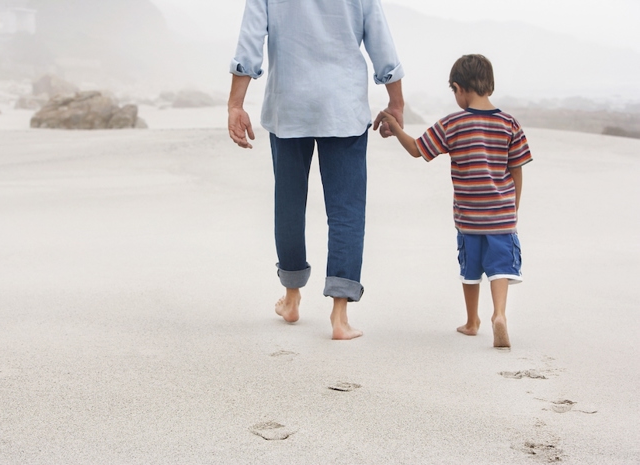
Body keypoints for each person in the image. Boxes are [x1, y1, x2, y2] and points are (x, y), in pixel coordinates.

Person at [228, 0, 404, 340]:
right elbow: (381, 41)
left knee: (289, 204)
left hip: (289, 106)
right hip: (344, 107)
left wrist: (236, 104)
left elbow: (249, 43)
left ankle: (292, 297)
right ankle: (339, 315)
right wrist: (395, 101)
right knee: (346, 210)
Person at [375, 54, 532, 348]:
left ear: (459, 88)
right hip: (502, 217)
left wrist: (394, 126)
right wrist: (514, 207)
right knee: (500, 268)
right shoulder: (509, 124)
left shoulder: (453, 123)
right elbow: (517, 169)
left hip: (468, 217)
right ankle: (499, 314)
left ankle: (472, 322)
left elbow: (417, 149)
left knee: (470, 270)